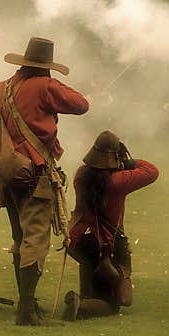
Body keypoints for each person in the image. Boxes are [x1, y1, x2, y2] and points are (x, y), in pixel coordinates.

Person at [0, 37, 89, 326]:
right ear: (45, 67)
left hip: (6, 174)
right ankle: (25, 311)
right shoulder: (47, 87)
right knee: (35, 240)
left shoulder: (0, 88)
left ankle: (27, 302)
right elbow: (80, 104)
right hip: (34, 174)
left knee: (19, 239)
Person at [63, 131, 159, 320]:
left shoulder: (81, 175)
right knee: (111, 306)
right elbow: (151, 171)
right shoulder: (118, 181)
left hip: (78, 239)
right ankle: (80, 305)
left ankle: (84, 298)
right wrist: (127, 162)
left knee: (90, 268)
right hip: (103, 245)